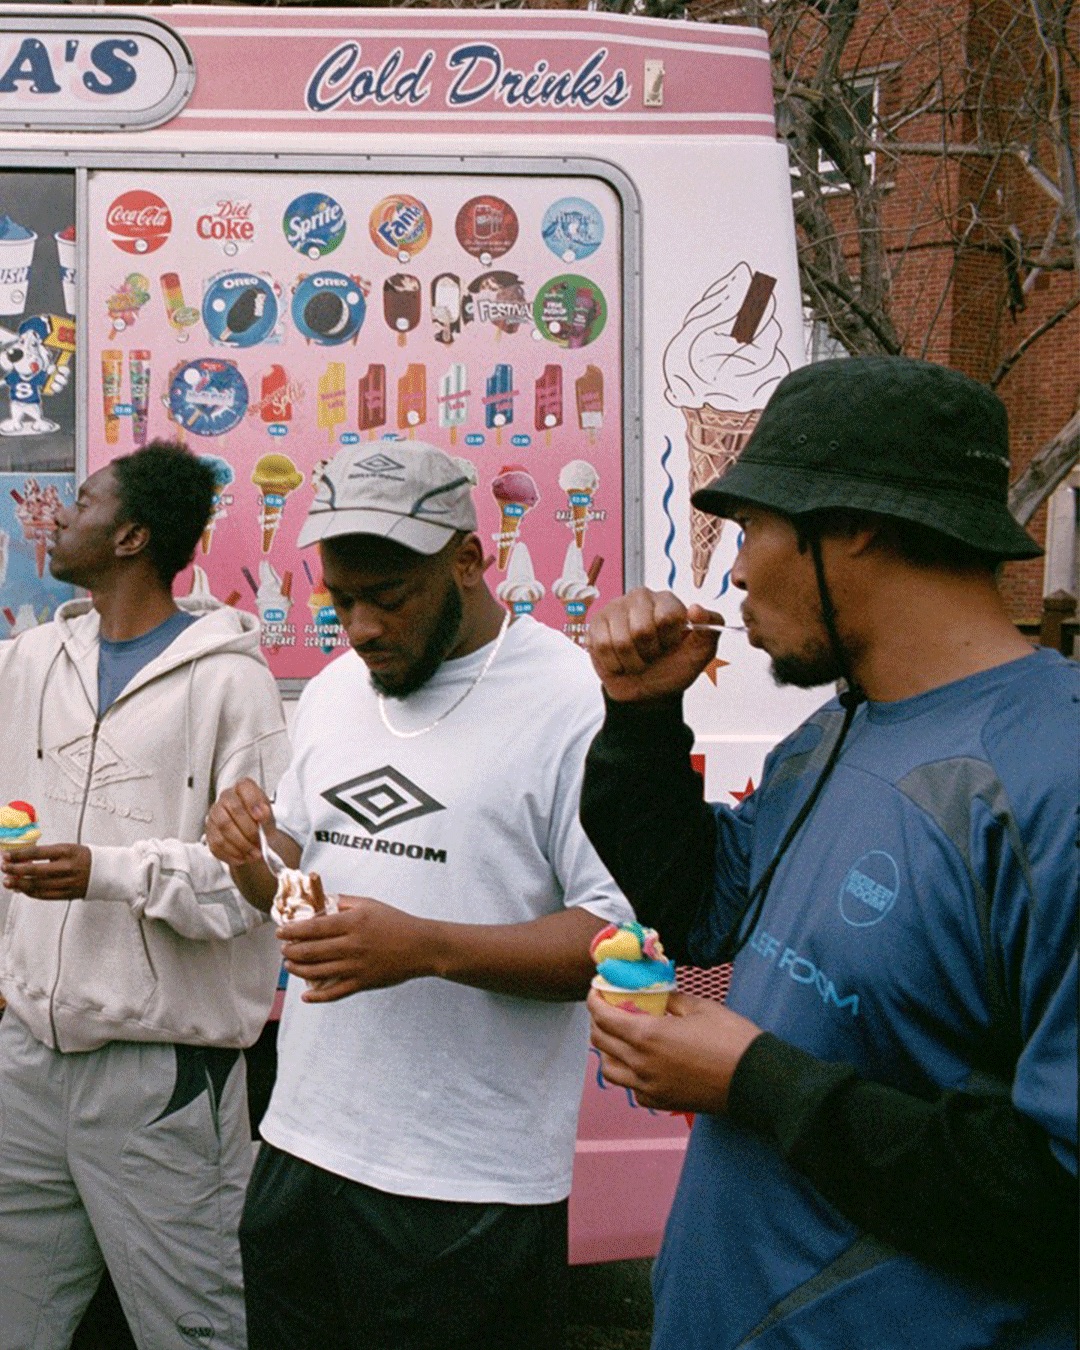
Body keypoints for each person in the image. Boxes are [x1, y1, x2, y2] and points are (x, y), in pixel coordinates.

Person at [581, 357, 1078, 1349]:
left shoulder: (1051, 778)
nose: (735, 571)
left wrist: (752, 1078)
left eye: (752, 527)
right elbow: (704, 910)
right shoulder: (837, 728)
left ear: (855, 526)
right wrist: (639, 718)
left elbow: (1055, 1197)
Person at [205, 441, 633, 1350]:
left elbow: (616, 949)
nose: (360, 628)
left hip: (467, 1186)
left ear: (469, 560)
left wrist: (424, 948)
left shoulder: (576, 701)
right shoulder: (336, 691)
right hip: (302, 1149)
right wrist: (251, 861)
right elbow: (307, 908)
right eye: (340, 600)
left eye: (389, 597)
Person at [0, 441, 290, 1350]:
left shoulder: (232, 681)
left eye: (82, 501)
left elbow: (254, 889)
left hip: (162, 1075)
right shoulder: (32, 660)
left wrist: (107, 871)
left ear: (131, 536)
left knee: (193, 1328)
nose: (59, 516)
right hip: (26, 1059)